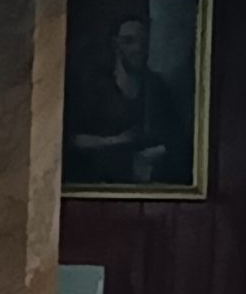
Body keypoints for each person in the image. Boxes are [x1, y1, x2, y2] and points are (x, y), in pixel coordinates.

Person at [65, 15, 191, 185]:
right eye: (128, 41)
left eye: (142, 41)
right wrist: (115, 141)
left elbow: (178, 141)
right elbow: (72, 140)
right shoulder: (96, 86)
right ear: (115, 44)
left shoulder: (156, 87)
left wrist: (156, 154)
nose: (138, 48)